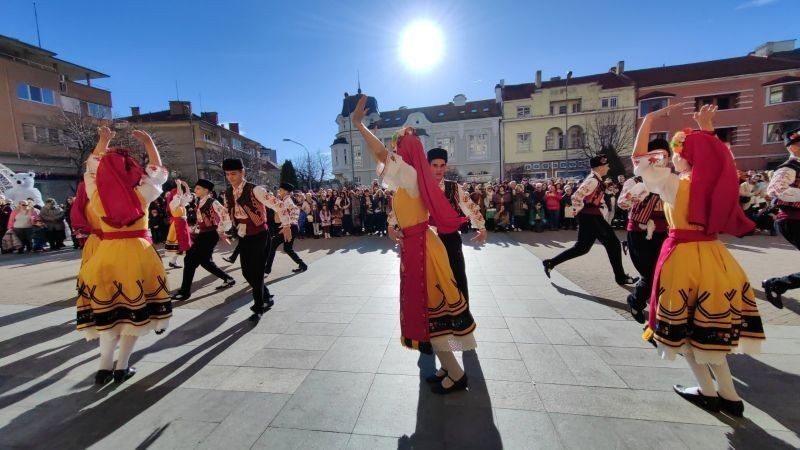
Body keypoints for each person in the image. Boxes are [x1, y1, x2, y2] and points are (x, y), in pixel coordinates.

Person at [635, 105, 764, 417]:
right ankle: (730, 395)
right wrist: (707, 131)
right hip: (715, 256)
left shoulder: (677, 184)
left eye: (678, 153)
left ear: (685, 156)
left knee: (686, 332)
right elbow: (720, 161)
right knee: (710, 330)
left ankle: (708, 392)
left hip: (683, 259)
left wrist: (649, 120)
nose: (673, 158)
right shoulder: (720, 184)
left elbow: (639, 160)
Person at [353, 96, 476, 394]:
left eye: (397, 148)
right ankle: (448, 367)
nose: (393, 152)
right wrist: (394, 226)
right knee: (432, 311)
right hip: (420, 245)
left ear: (405, 151)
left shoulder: (408, 173)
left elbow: (379, 153)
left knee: (429, 310)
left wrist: (359, 125)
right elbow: (384, 165)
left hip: (422, 249)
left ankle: (456, 373)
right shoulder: (410, 176)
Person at [76, 127, 171, 385]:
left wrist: (103, 141)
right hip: (138, 254)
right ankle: (122, 367)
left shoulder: (97, 196)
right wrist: (149, 143)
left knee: (110, 315)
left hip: (106, 254)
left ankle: (104, 367)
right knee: (134, 314)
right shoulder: (141, 194)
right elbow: (159, 173)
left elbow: (91, 168)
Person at [390, 147, 486, 304]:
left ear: (446, 167)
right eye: (435, 165)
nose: (439, 169)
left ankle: (461, 313)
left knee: (457, 275)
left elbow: (469, 206)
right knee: (432, 281)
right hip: (428, 240)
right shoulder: (419, 187)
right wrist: (391, 225)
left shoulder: (453, 187)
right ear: (428, 166)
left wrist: (481, 227)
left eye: (442, 165)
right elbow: (402, 205)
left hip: (450, 239)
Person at [542, 155, 638, 286]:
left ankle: (550, 262)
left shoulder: (596, 180)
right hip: (591, 217)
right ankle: (620, 277)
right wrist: (578, 211)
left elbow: (594, 198)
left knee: (582, 248)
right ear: (600, 167)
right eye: (606, 165)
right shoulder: (592, 180)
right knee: (614, 244)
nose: (608, 167)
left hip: (591, 216)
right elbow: (576, 196)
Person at [222, 158, 292, 322]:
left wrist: (286, 225)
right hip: (244, 236)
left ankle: (259, 306)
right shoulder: (227, 193)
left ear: (242, 172)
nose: (230, 177)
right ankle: (266, 296)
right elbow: (226, 213)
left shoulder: (256, 190)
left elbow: (279, 205)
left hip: (260, 235)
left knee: (257, 272)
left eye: (233, 173)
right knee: (247, 272)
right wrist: (222, 230)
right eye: (227, 174)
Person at [619, 110, 672, 323]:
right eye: (657, 156)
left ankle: (660, 315)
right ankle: (636, 300)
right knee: (650, 275)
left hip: (665, 235)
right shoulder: (635, 181)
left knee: (664, 275)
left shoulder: (671, 181)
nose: (661, 161)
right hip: (639, 234)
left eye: (665, 157)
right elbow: (623, 203)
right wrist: (646, 186)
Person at [171, 179, 236, 301]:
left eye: (198, 188)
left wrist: (221, 230)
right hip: (204, 234)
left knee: (190, 260)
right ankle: (228, 279)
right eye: (195, 188)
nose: (195, 190)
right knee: (204, 261)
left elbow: (225, 215)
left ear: (206, 190)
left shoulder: (213, 202)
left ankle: (184, 292)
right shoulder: (199, 201)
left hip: (210, 234)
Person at [762, 126, 800, 307]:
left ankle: (778, 284)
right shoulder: (789, 167)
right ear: (792, 147)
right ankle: (777, 284)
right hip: (792, 221)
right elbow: (776, 189)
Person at [264, 182, 308, 276]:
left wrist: (287, 226)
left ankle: (267, 269)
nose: (279, 191)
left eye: (280, 190)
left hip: (290, 227)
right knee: (287, 248)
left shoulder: (288, 200)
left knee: (273, 245)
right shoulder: (285, 200)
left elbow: (295, 211)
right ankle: (303, 265)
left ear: (286, 191)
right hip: (291, 227)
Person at [164, 180, 192, 268]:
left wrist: (186, 187)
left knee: (180, 244)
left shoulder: (181, 204)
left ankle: (173, 262)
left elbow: (188, 198)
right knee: (178, 243)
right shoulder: (173, 204)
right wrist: (179, 185)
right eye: (179, 193)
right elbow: (179, 196)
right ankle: (174, 262)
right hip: (177, 226)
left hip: (182, 225)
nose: (181, 194)